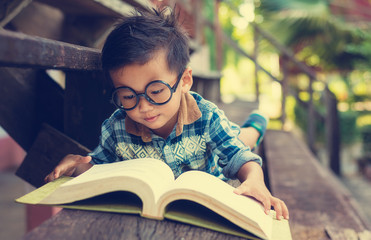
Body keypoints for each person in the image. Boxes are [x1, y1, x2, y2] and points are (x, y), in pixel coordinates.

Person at [45, 7, 289, 220]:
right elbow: (100, 167)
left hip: (212, 168)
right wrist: (78, 164)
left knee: (241, 138)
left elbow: (238, 157)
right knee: (234, 134)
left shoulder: (207, 116)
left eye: (157, 91)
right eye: (128, 96)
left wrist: (255, 179)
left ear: (184, 81)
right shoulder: (115, 127)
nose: (144, 107)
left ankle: (256, 125)